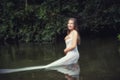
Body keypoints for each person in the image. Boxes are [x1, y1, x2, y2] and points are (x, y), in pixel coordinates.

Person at [0, 18, 80, 74]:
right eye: (68, 23)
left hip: (73, 54)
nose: (69, 24)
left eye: (71, 23)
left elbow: (73, 45)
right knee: (66, 69)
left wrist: (65, 50)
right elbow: (70, 45)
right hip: (70, 55)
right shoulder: (69, 33)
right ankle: (74, 70)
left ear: (74, 25)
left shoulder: (74, 32)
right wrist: (66, 52)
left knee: (50, 66)